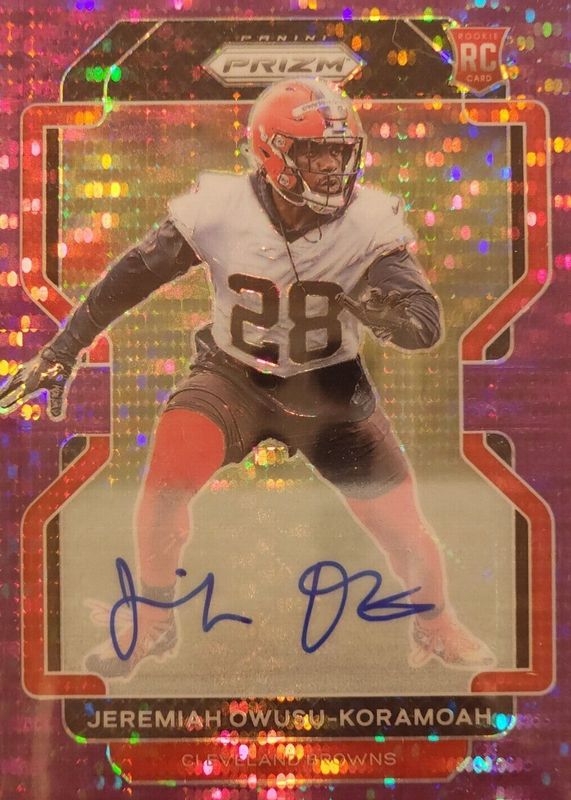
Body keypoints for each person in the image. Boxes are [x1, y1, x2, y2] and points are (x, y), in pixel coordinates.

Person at [0, 78, 494, 678]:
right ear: (271, 151)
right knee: (166, 478)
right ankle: (153, 620)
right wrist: (64, 348)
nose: (331, 167)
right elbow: (134, 275)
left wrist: (396, 317)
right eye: (314, 152)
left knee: (403, 527)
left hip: (330, 387)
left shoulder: (369, 221)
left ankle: (436, 624)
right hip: (234, 376)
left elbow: (424, 322)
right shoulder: (221, 208)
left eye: (339, 152)